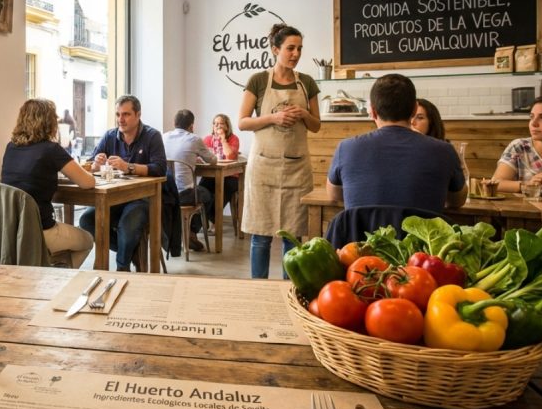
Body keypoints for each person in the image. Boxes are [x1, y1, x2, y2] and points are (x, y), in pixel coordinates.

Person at [238, 24, 321, 279]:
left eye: (299, 49)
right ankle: (258, 289)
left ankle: (289, 291)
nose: (295, 54)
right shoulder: (259, 80)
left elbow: (316, 126)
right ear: (275, 49)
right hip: (264, 167)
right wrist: (273, 118)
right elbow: (242, 121)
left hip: (296, 169)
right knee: (261, 236)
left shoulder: (306, 82)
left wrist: (304, 114)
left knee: (292, 236)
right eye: (290, 48)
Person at [327, 74, 466, 214]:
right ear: (414, 109)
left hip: (362, 236)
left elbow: (334, 194)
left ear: (373, 112)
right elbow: (457, 200)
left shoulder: (346, 148)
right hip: (421, 236)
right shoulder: (445, 151)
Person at [1, 99, 95, 268]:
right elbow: (87, 182)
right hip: (40, 230)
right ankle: (57, 280)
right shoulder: (51, 149)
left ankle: (47, 272)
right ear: (49, 122)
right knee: (87, 240)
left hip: (9, 230)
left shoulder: (11, 147)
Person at [81, 95, 167, 271]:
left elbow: (160, 168)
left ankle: (122, 268)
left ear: (138, 115)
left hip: (143, 197)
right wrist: (96, 165)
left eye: (126, 114)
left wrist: (129, 167)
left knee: (127, 227)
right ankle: (130, 252)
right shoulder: (110, 136)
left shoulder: (152, 136)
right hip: (113, 197)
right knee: (86, 221)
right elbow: (89, 165)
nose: (121, 119)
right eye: (118, 114)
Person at [493, 95, 542, 193]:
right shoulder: (520, 147)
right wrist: (528, 185)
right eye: (532, 117)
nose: (533, 123)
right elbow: (496, 183)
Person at [164, 109, 216, 251]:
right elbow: (213, 161)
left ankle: (181, 232)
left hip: (165, 193)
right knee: (208, 195)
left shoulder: (163, 137)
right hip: (184, 194)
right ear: (191, 126)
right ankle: (192, 232)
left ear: (174, 123)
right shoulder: (194, 139)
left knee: (200, 190)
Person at [198, 113, 241, 232]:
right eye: (215, 123)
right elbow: (203, 156)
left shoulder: (233, 138)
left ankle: (213, 220)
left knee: (224, 189)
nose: (217, 126)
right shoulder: (208, 139)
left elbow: (230, 156)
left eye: (221, 123)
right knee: (201, 189)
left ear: (227, 126)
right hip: (212, 174)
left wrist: (223, 139)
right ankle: (204, 221)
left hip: (231, 175)